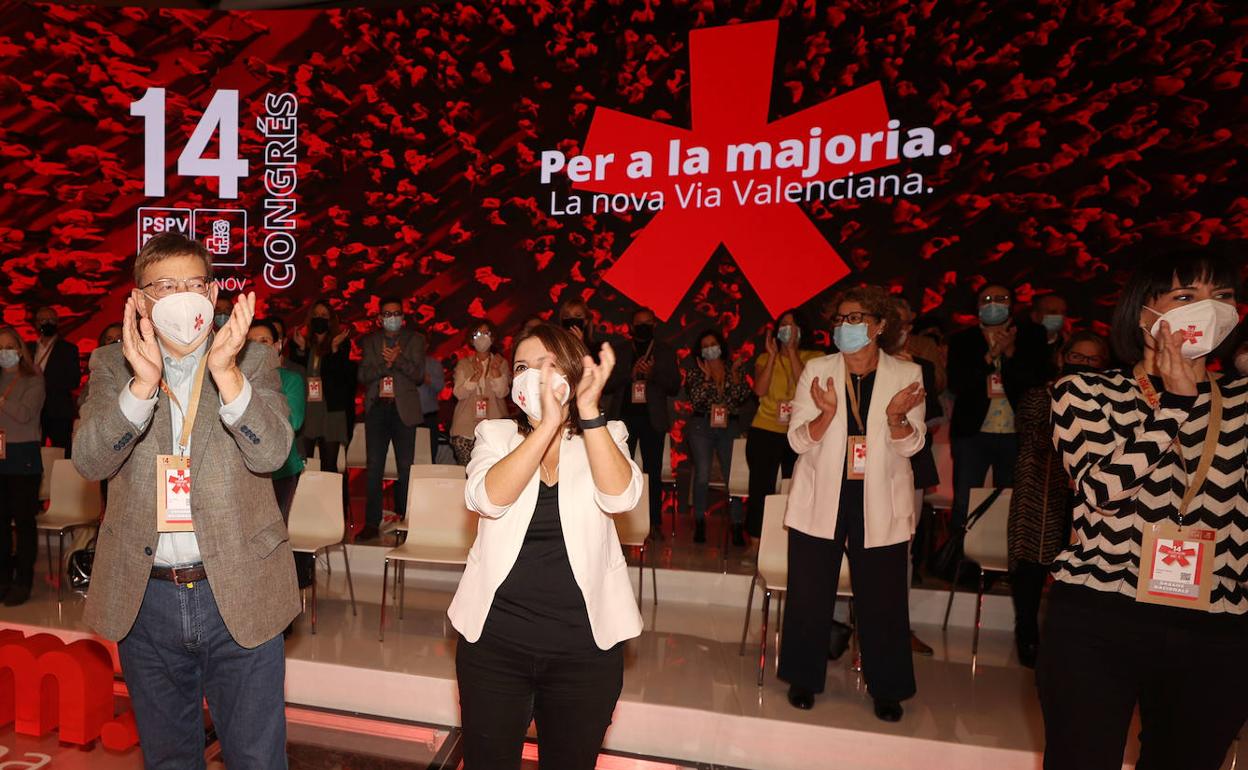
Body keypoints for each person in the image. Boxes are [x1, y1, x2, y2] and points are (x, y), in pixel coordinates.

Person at [73, 233, 298, 769]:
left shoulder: (252, 358)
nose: (181, 296)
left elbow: (274, 453)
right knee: (169, 758)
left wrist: (226, 372)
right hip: (146, 599)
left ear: (214, 292)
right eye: (164, 286)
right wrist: (142, 386)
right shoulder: (112, 364)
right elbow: (89, 460)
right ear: (139, 300)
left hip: (241, 587)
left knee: (257, 758)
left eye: (193, 284)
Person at [1040, 248, 1247, 770]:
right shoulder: (1086, 392)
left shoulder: (1242, 401)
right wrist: (1174, 406)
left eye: (1222, 297)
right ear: (1145, 314)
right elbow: (1103, 491)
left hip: (1216, 624)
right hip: (1099, 613)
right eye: (1186, 296)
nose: (1209, 309)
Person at [449, 323, 643, 770]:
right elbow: (486, 499)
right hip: (495, 645)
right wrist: (546, 426)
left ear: (572, 374)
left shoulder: (605, 433)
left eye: (544, 365)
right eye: (521, 367)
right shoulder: (496, 435)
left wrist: (587, 413)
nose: (531, 377)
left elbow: (621, 496)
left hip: (585, 651)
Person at [780, 285, 926, 721]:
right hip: (822, 493)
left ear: (880, 325)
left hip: (879, 495)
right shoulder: (817, 370)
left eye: (857, 318)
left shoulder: (908, 375)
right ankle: (804, 679)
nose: (847, 327)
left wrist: (897, 418)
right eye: (841, 319)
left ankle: (888, 687)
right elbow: (797, 439)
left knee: (882, 597)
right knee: (809, 593)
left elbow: (912, 447)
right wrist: (824, 415)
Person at [1007, 331, 1108, 668]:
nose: (1084, 365)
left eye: (1092, 359)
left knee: (1078, 568)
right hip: (1040, 489)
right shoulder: (1040, 395)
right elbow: (1033, 434)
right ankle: (1027, 634)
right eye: (1077, 357)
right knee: (1032, 567)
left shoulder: (1109, 401)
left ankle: (1068, 641)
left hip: (1089, 498)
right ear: (1063, 358)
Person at [945, 283, 1048, 530]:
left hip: (1016, 432)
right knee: (964, 501)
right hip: (973, 432)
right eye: (986, 298)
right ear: (977, 306)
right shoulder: (962, 339)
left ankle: (1003, 561)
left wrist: (1010, 352)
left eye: (1001, 298)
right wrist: (990, 356)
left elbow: (1036, 380)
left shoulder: (1032, 335)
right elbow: (958, 384)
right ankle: (960, 561)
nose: (993, 303)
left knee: (1011, 502)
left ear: (1012, 303)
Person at [888, 297, 943, 656]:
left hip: (911, 468)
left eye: (907, 323)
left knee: (902, 551)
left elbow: (934, 419)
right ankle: (846, 622)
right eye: (895, 323)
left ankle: (896, 628)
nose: (901, 330)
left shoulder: (920, 366)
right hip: (862, 468)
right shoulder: (856, 366)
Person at [248, 319, 312, 597]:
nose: (257, 348)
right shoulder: (231, 380)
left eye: (263, 341)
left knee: (274, 539)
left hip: (281, 472)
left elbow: (294, 421)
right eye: (251, 343)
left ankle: (280, 605)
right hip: (243, 472)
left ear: (277, 346)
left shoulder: (291, 380)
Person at [745, 309, 821, 539]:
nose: (786, 330)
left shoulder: (815, 357)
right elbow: (759, 390)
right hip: (765, 429)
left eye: (792, 325)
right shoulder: (764, 357)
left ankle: (790, 539)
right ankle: (757, 541)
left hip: (798, 432)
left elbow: (806, 387)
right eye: (783, 326)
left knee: (794, 488)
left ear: (801, 329)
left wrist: (792, 352)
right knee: (760, 489)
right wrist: (772, 357)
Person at [607, 307, 680, 539]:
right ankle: (620, 523)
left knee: (653, 473)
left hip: (653, 420)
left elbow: (674, 386)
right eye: (639, 323)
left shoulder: (665, 351)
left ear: (655, 325)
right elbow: (607, 385)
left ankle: (654, 523)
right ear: (631, 326)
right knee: (621, 473)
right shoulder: (618, 351)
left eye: (648, 322)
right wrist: (630, 374)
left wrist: (652, 375)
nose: (644, 327)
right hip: (624, 420)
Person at [358, 298, 426, 540]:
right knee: (374, 466)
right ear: (379, 318)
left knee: (406, 468)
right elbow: (363, 375)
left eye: (396, 313)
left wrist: (398, 360)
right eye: (387, 314)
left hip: (404, 410)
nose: (392, 317)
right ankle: (371, 523)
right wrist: (385, 365)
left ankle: (407, 521)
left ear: (403, 317)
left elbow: (418, 375)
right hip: (378, 408)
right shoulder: (370, 341)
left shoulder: (415, 340)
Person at [685, 330, 752, 545]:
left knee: (732, 476)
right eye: (705, 346)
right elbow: (696, 400)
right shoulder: (696, 371)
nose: (710, 348)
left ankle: (736, 524)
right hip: (701, 425)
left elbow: (742, 396)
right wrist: (706, 379)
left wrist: (733, 375)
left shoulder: (733, 367)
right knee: (702, 475)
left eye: (713, 344)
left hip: (728, 425)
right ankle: (700, 522)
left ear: (721, 346)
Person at [0, 327, 45, 607]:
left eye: (7, 346)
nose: (3, 352)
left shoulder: (33, 378)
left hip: (24, 457)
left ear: (19, 349)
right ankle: (3, 577)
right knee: (1, 523)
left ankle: (23, 580)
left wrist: (2, 401)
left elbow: (26, 413)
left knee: (24, 522)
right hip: (1, 456)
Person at [288, 300, 353, 474]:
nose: (319, 319)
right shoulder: (301, 342)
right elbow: (295, 374)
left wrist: (333, 349)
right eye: (316, 315)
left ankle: (334, 501)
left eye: (324, 315)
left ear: (331, 319)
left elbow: (341, 377)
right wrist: (301, 349)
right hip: (308, 408)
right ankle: (305, 500)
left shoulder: (341, 343)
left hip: (331, 409)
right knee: (305, 463)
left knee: (329, 466)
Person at [451, 322, 510, 466]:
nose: (482, 338)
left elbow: (503, 392)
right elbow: (459, 393)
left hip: (494, 425)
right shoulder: (464, 364)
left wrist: (495, 371)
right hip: (465, 427)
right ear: (471, 340)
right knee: (467, 472)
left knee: (492, 470)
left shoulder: (501, 363)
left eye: (486, 333)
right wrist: (475, 376)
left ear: (493, 338)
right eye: (477, 334)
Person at [28, 305, 80, 455]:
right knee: (32, 451)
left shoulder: (68, 349)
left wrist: (42, 382)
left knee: (63, 451)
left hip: (58, 410)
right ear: (36, 324)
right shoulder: (29, 348)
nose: (47, 323)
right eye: (43, 320)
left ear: (57, 322)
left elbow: (74, 380)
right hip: (32, 410)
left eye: (51, 319)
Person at [419, 344, 445, 462]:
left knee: (428, 456)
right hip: (405, 418)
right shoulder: (402, 364)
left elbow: (440, 386)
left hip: (428, 417)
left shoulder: (433, 364)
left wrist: (426, 378)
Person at [1030, 292, 1069, 364]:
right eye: (1053, 312)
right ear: (1035, 316)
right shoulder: (1018, 343)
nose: (1060, 316)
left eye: (1063, 312)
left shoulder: (1069, 344)